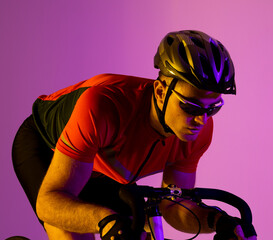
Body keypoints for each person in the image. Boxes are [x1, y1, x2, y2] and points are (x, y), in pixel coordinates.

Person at [12, 30, 257, 240]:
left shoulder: (200, 131)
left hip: (104, 167)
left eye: (212, 109)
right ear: (160, 91)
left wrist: (218, 222)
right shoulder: (103, 106)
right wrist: (105, 219)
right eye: (190, 107)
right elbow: (49, 202)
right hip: (46, 146)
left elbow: (173, 207)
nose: (200, 120)